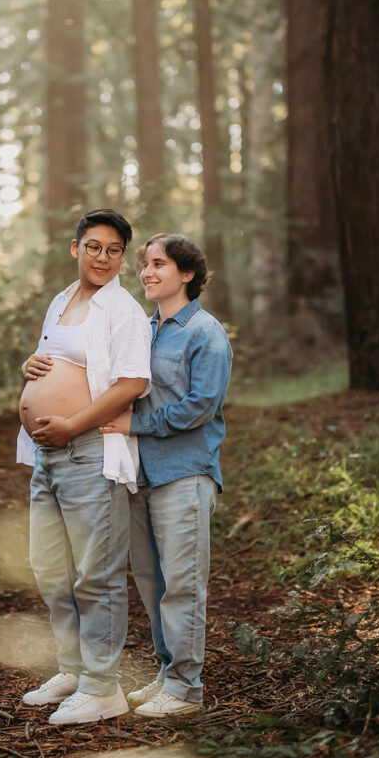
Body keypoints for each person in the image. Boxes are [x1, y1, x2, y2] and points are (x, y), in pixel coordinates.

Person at [16, 209, 152, 726]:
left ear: (122, 257)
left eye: (113, 250)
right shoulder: (61, 301)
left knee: (96, 574)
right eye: (94, 247)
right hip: (46, 457)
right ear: (76, 249)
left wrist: (72, 426)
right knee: (51, 569)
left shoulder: (124, 311)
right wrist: (30, 366)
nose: (102, 257)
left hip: (89, 452)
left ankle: (103, 687)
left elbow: (130, 384)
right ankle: (73, 670)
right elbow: (54, 361)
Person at [101, 233, 232, 718]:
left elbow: (200, 406)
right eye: (144, 265)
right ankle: (166, 672)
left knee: (182, 584)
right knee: (152, 582)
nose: (147, 272)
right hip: (140, 474)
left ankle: (185, 688)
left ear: (187, 273)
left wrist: (136, 423)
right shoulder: (144, 328)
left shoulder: (205, 333)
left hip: (185, 473)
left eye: (159, 264)